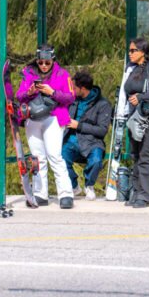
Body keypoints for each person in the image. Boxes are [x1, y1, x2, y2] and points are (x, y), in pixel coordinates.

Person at [17, 44, 76, 209]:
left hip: (53, 117)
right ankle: (40, 194)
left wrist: (52, 92)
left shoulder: (62, 74)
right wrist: (29, 92)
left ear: (53, 60)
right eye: (40, 62)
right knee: (37, 157)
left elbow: (70, 97)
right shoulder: (29, 73)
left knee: (54, 156)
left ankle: (65, 194)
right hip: (33, 117)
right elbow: (19, 95)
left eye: (47, 62)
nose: (43, 65)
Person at [117, 37, 149, 208]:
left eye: (133, 50)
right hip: (133, 118)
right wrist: (121, 115)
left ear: (143, 52)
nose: (130, 53)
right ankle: (136, 191)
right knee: (136, 155)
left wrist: (142, 97)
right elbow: (123, 94)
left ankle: (145, 196)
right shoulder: (129, 69)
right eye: (129, 50)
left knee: (146, 155)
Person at [61, 70, 112, 201]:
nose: (72, 89)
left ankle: (89, 185)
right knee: (59, 157)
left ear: (82, 88)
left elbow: (102, 130)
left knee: (96, 160)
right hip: (71, 140)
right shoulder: (72, 100)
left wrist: (79, 126)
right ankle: (74, 186)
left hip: (92, 142)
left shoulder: (103, 104)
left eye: (74, 87)